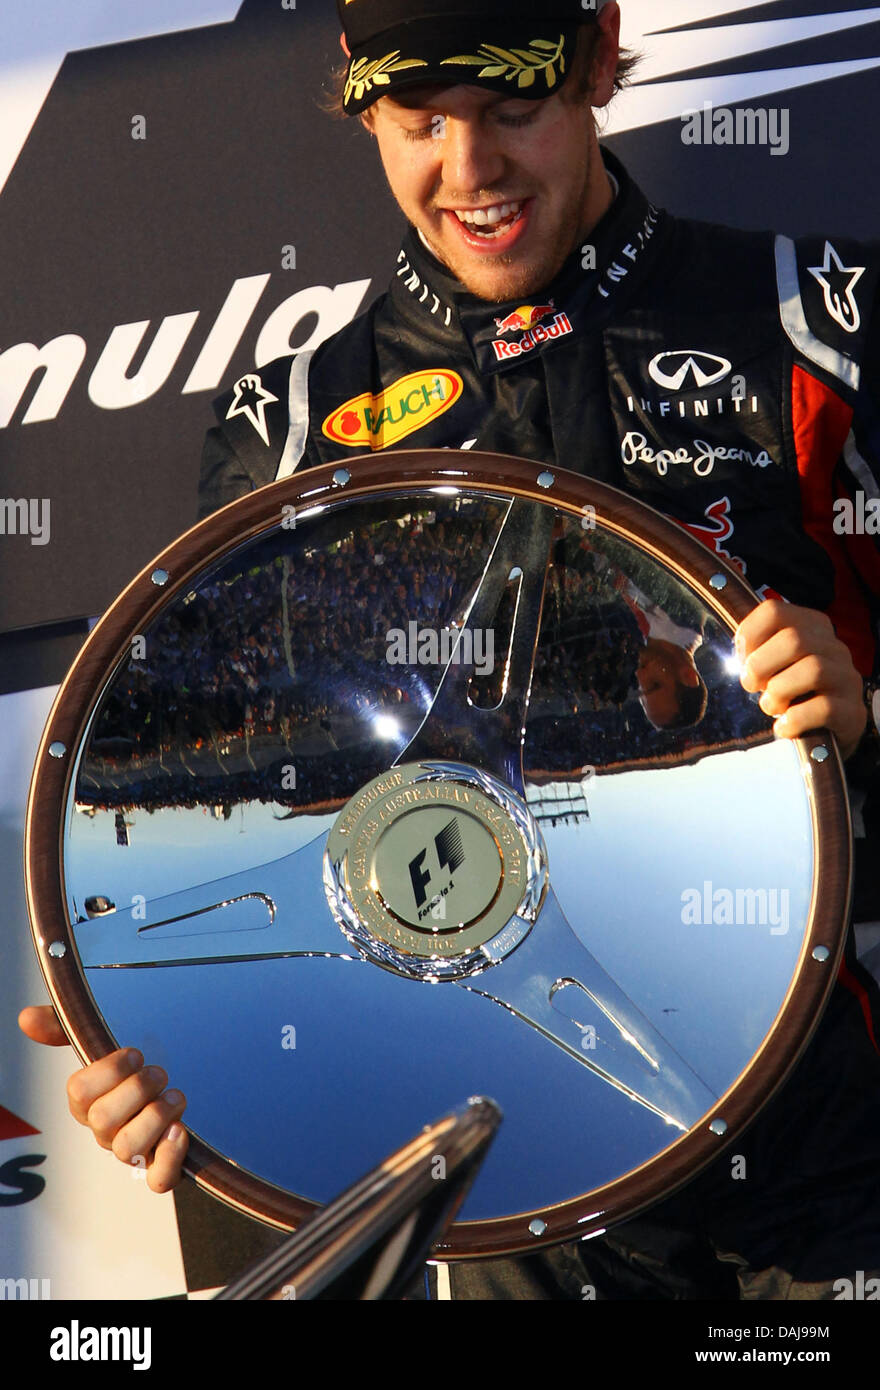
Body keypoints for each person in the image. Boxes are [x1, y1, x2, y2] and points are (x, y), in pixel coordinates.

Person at [20, 0, 880, 1298]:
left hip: (826, 1163)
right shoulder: (292, 426)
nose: (469, 171)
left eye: (513, 112)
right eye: (421, 121)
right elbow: (217, 821)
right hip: (498, 1215)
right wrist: (170, 1060)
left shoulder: (811, 318)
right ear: (359, 103)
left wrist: (869, 703)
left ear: (596, 61)